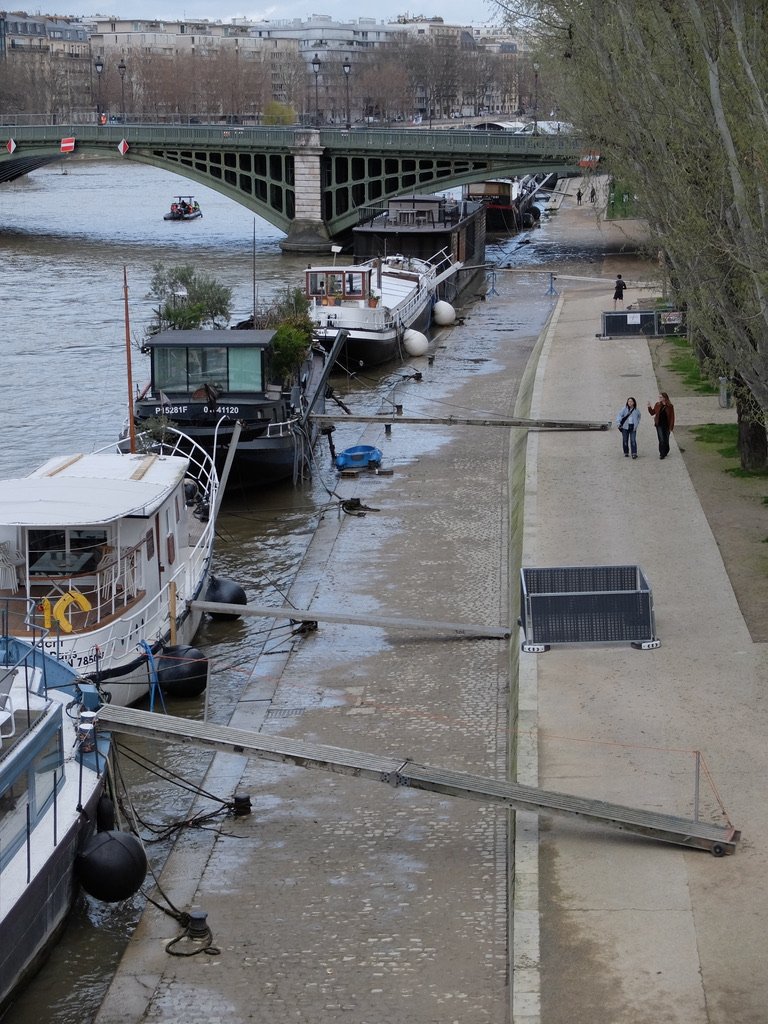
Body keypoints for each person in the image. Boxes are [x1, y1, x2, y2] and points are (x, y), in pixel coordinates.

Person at [647, 392, 675, 459]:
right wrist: (649, 407)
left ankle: (666, 450)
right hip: (659, 425)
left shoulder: (670, 406)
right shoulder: (657, 404)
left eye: (660, 397)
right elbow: (652, 413)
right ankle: (662, 454)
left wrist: (671, 427)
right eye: (659, 397)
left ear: (664, 398)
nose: (659, 398)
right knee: (661, 439)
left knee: (666, 439)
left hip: (667, 425)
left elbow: (672, 417)